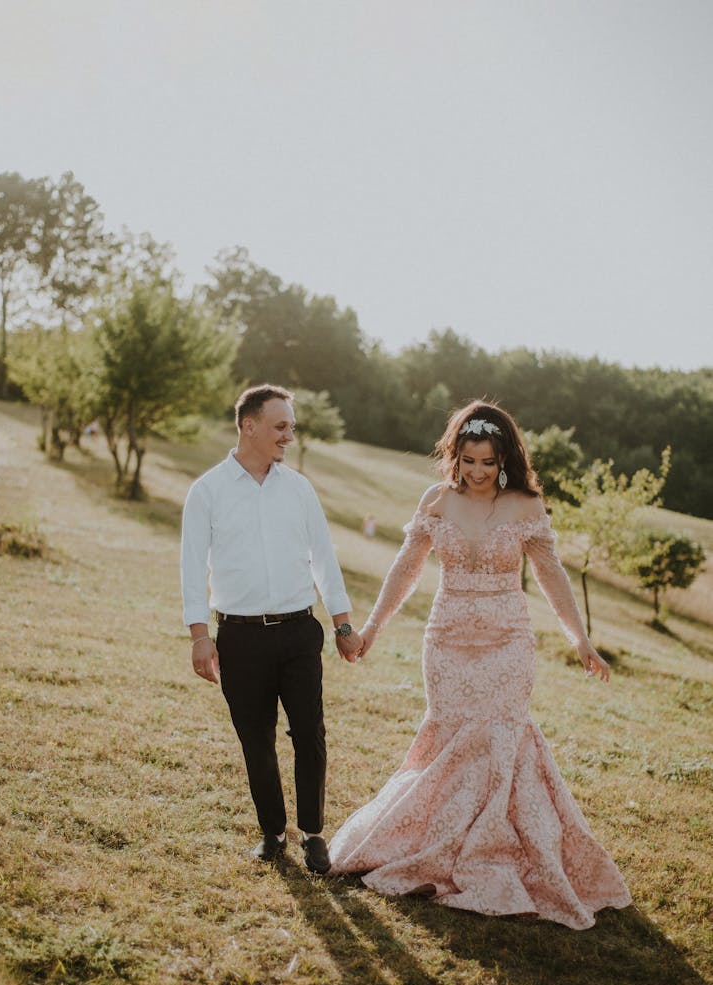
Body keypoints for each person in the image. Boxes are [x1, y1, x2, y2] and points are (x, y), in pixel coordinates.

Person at [330, 401, 632, 929]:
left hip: (508, 639)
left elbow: (551, 576)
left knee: (501, 736)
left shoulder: (525, 506)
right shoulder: (437, 501)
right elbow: (406, 569)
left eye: (487, 462)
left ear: (505, 460)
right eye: (468, 460)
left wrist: (580, 638)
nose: (476, 472)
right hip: (447, 639)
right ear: (455, 455)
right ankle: (435, 841)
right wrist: (373, 629)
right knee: (449, 735)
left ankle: (501, 848)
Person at [181, 384, 363, 874]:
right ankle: (272, 832)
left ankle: (313, 834)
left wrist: (343, 624)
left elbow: (324, 559)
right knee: (255, 738)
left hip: (300, 631)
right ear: (249, 426)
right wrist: (200, 635)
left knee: (309, 732)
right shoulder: (207, 491)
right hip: (238, 637)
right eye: (281, 426)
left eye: (292, 426)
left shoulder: (299, 489)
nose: (289, 435)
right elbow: (191, 568)